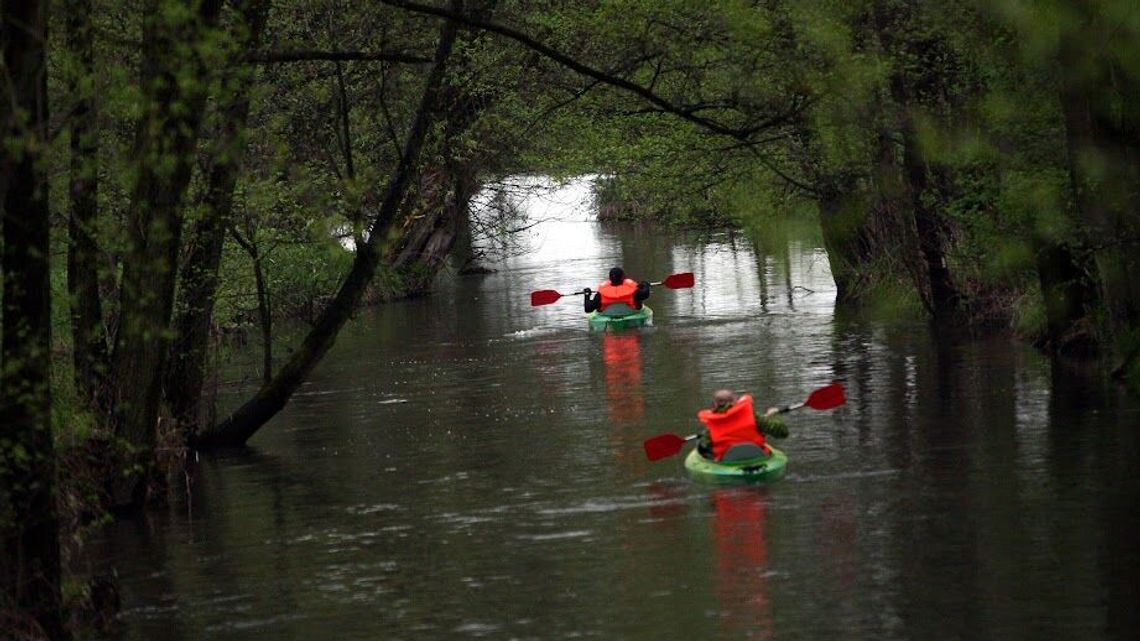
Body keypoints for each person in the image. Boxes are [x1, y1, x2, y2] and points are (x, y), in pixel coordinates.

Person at [695, 389, 788, 461]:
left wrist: (701, 441)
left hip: (727, 462)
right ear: (735, 401)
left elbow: (704, 449)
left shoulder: (711, 424)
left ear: (714, 405)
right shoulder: (752, 416)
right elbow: (782, 432)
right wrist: (773, 416)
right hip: (758, 457)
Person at [584, 266, 651, 314]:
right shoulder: (633, 292)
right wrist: (645, 285)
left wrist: (587, 295)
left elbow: (588, 309)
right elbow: (645, 294)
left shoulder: (601, 295)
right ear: (623, 277)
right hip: (631, 313)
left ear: (610, 279)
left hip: (608, 315)